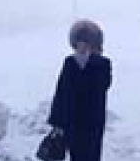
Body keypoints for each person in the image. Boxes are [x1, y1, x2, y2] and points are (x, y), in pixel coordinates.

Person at [47, 20, 113, 161]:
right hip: (73, 122)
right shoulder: (70, 63)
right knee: (77, 155)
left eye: (86, 42)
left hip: (92, 122)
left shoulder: (102, 64)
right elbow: (61, 92)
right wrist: (57, 121)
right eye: (79, 42)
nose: (82, 46)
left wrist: (91, 61)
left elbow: (103, 86)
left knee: (92, 155)